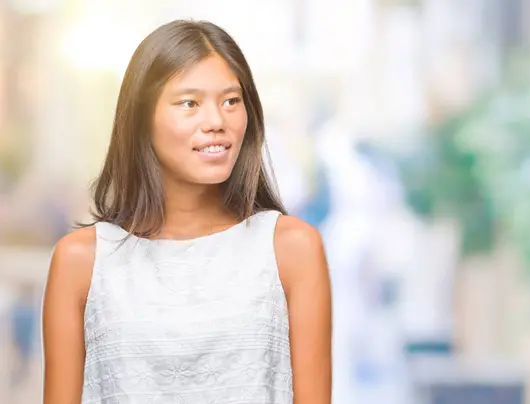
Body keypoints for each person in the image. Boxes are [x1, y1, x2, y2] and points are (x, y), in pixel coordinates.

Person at [42, 20, 332, 404]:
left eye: (231, 101)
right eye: (189, 103)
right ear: (142, 118)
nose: (217, 122)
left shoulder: (292, 249)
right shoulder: (80, 260)